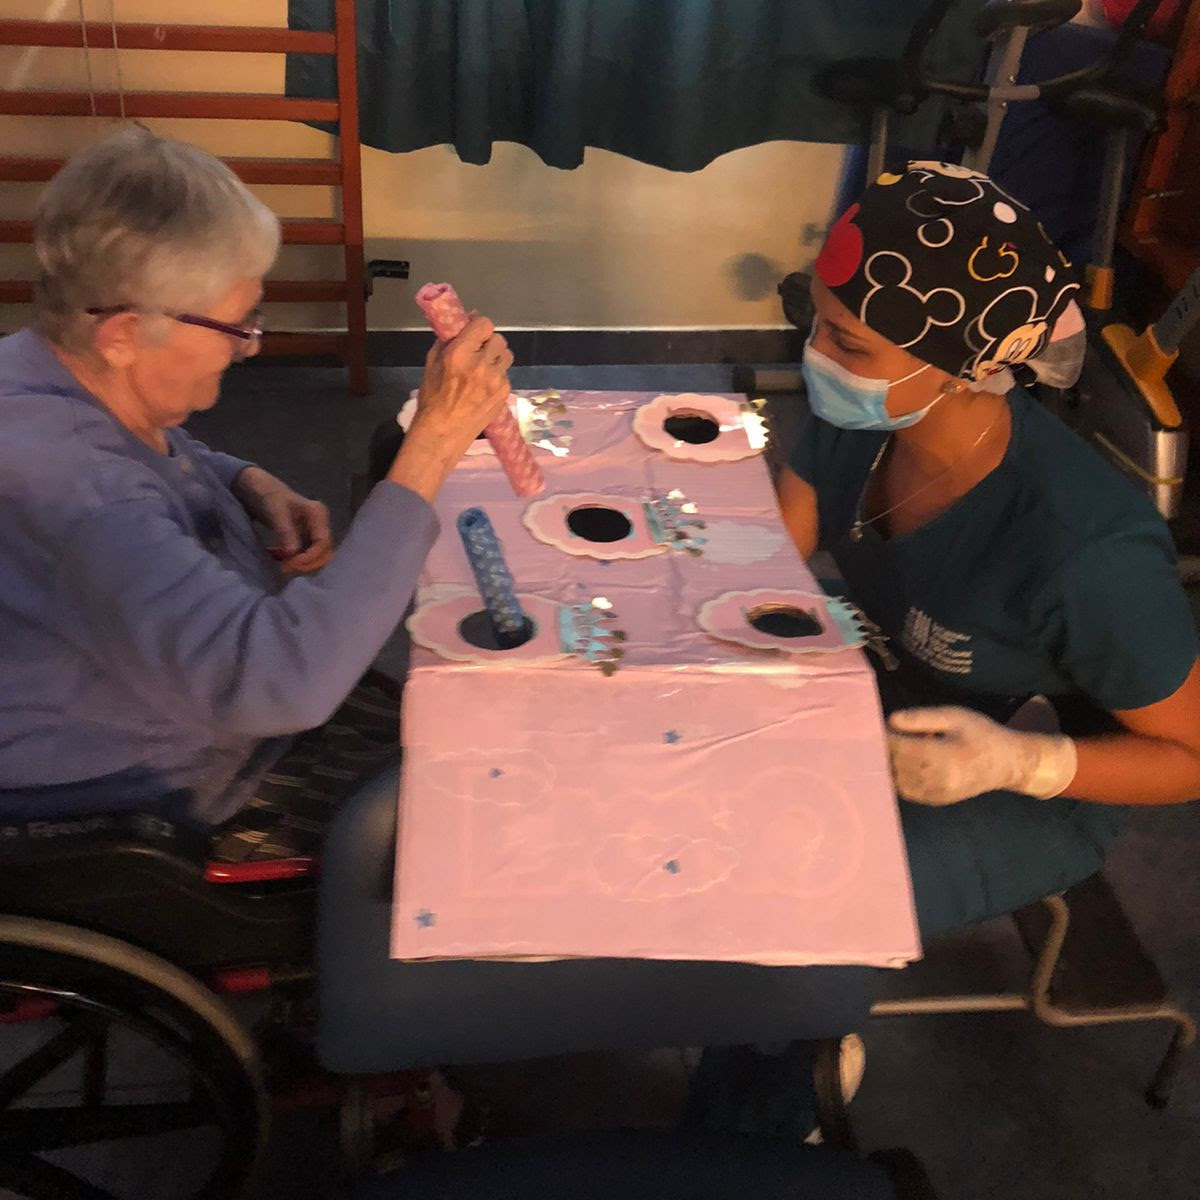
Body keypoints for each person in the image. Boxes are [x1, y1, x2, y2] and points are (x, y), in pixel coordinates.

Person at [0, 126, 513, 859]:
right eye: (235, 326)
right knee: (477, 809)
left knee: (445, 720)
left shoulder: (37, 367)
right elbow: (283, 684)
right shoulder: (88, 504)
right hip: (169, 789)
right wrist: (432, 444)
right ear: (122, 334)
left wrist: (239, 479)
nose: (251, 344)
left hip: (194, 698)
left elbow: (130, 444)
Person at [776, 161, 1200, 938]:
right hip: (891, 678)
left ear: (967, 367)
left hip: (1033, 777)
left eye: (849, 345)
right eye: (814, 320)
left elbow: (1188, 757)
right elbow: (770, 556)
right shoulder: (862, 424)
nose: (817, 357)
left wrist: (1018, 762)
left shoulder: (1086, 553)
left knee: (801, 893)